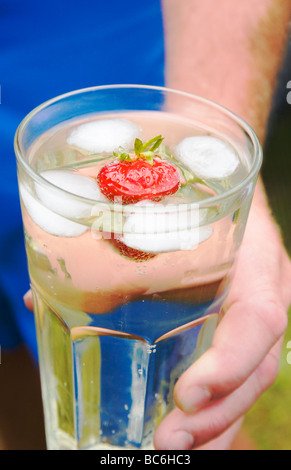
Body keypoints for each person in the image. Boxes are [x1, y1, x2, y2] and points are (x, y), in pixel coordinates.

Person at [1, 0, 291, 450]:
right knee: (32, 404)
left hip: (82, 48)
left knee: (157, 419)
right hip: (36, 169)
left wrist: (217, 135)